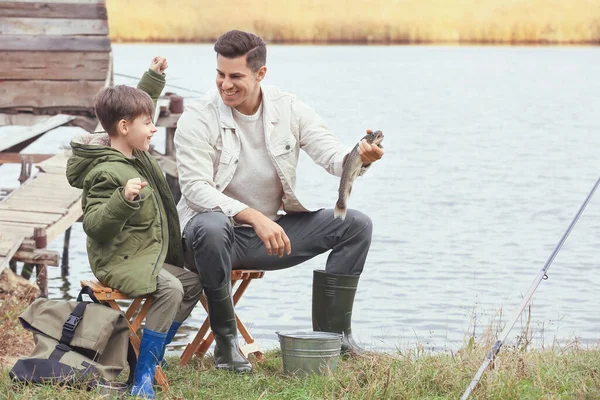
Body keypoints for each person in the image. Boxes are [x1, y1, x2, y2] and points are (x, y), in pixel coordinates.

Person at [174, 29, 384, 373]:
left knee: (356, 225)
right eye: (220, 74)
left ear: (261, 74)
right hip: (207, 239)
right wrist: (254, 216)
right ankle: (226, 346)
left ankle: (335, 339)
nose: (225, 84)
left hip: (264, 236)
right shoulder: (198, 116)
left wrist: (361, 157)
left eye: (235, 76)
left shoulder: (289, 108)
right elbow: (196, 189)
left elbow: (333, 156)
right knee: (212, 225)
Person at [66, 57, 203, 398]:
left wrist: (153, 78)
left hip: (140, 255)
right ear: (125, 128)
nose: (154, 128)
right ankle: (141, 378)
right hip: (116, 260)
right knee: (171, 288)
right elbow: (96, 226)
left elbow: (133, 105)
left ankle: (149, 355)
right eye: (148, 123)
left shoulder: (133, 153)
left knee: (192, 282)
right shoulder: (105, 172)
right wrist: (123, 201)